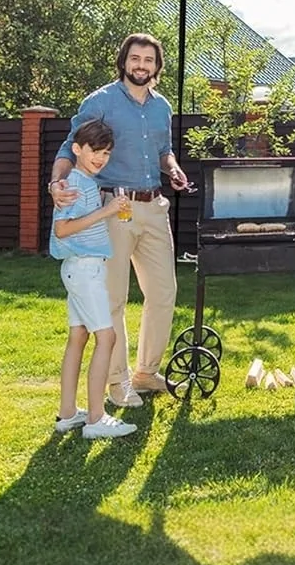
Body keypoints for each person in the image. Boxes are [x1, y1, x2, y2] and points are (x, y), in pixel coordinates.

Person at [49, 33, 190, 408]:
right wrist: (56, 182)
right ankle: (117, 381)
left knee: (163, 292)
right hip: (115, 206)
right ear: (124, 61)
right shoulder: (100, 101)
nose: (141, 65)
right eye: (135, 58)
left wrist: (174, 168)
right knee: (114, 297)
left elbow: (164, 151)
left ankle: (146, 372)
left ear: (157, 66)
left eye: (149, 60)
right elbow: (69, 147)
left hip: (154, 206)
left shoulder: (162, 107)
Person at [50, 118, 136, 440]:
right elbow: (62, 229)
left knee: (78, 337)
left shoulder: (85, 181)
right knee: (107, 337)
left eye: (106, 152)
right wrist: (106, 211)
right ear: (76, 149)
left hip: (81, 269)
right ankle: (96, 418)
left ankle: (68, 413)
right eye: (94, 151)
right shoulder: (76, 184)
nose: (101, 158)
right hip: (84, 271)